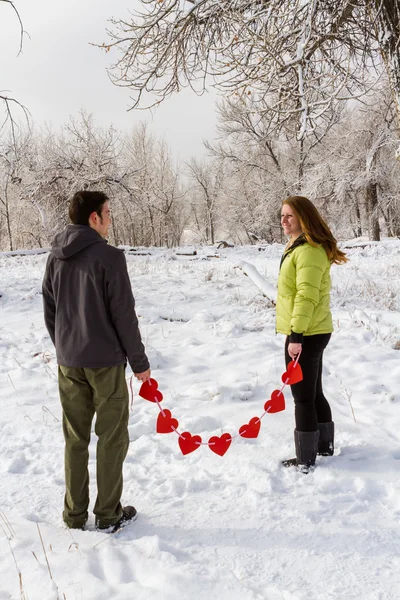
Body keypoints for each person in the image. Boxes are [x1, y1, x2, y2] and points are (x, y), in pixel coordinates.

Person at [42, 190, 151, 531]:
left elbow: (50, 308)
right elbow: (124, 316)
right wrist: (139, 362)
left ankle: (74, 516)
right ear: (94, 218)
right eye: (108, 212)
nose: (111, 219)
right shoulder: (110, 257)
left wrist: (64, 344)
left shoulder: (54, 256)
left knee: (75, 438)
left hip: (69, 360)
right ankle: (108, 514)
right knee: (112, 437)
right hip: (105, 363)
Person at [276, 196, 348, 472]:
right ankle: (323, 448)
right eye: (282, 215)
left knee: (303, 397)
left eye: (290, 216)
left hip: (306, 331)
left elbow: (307, 296)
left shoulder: (308, 251)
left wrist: (296, 335)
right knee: (313, 392)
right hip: (311, 329)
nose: (284, 220)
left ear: (304, 218)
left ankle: (306, 460)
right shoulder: (298, 247)